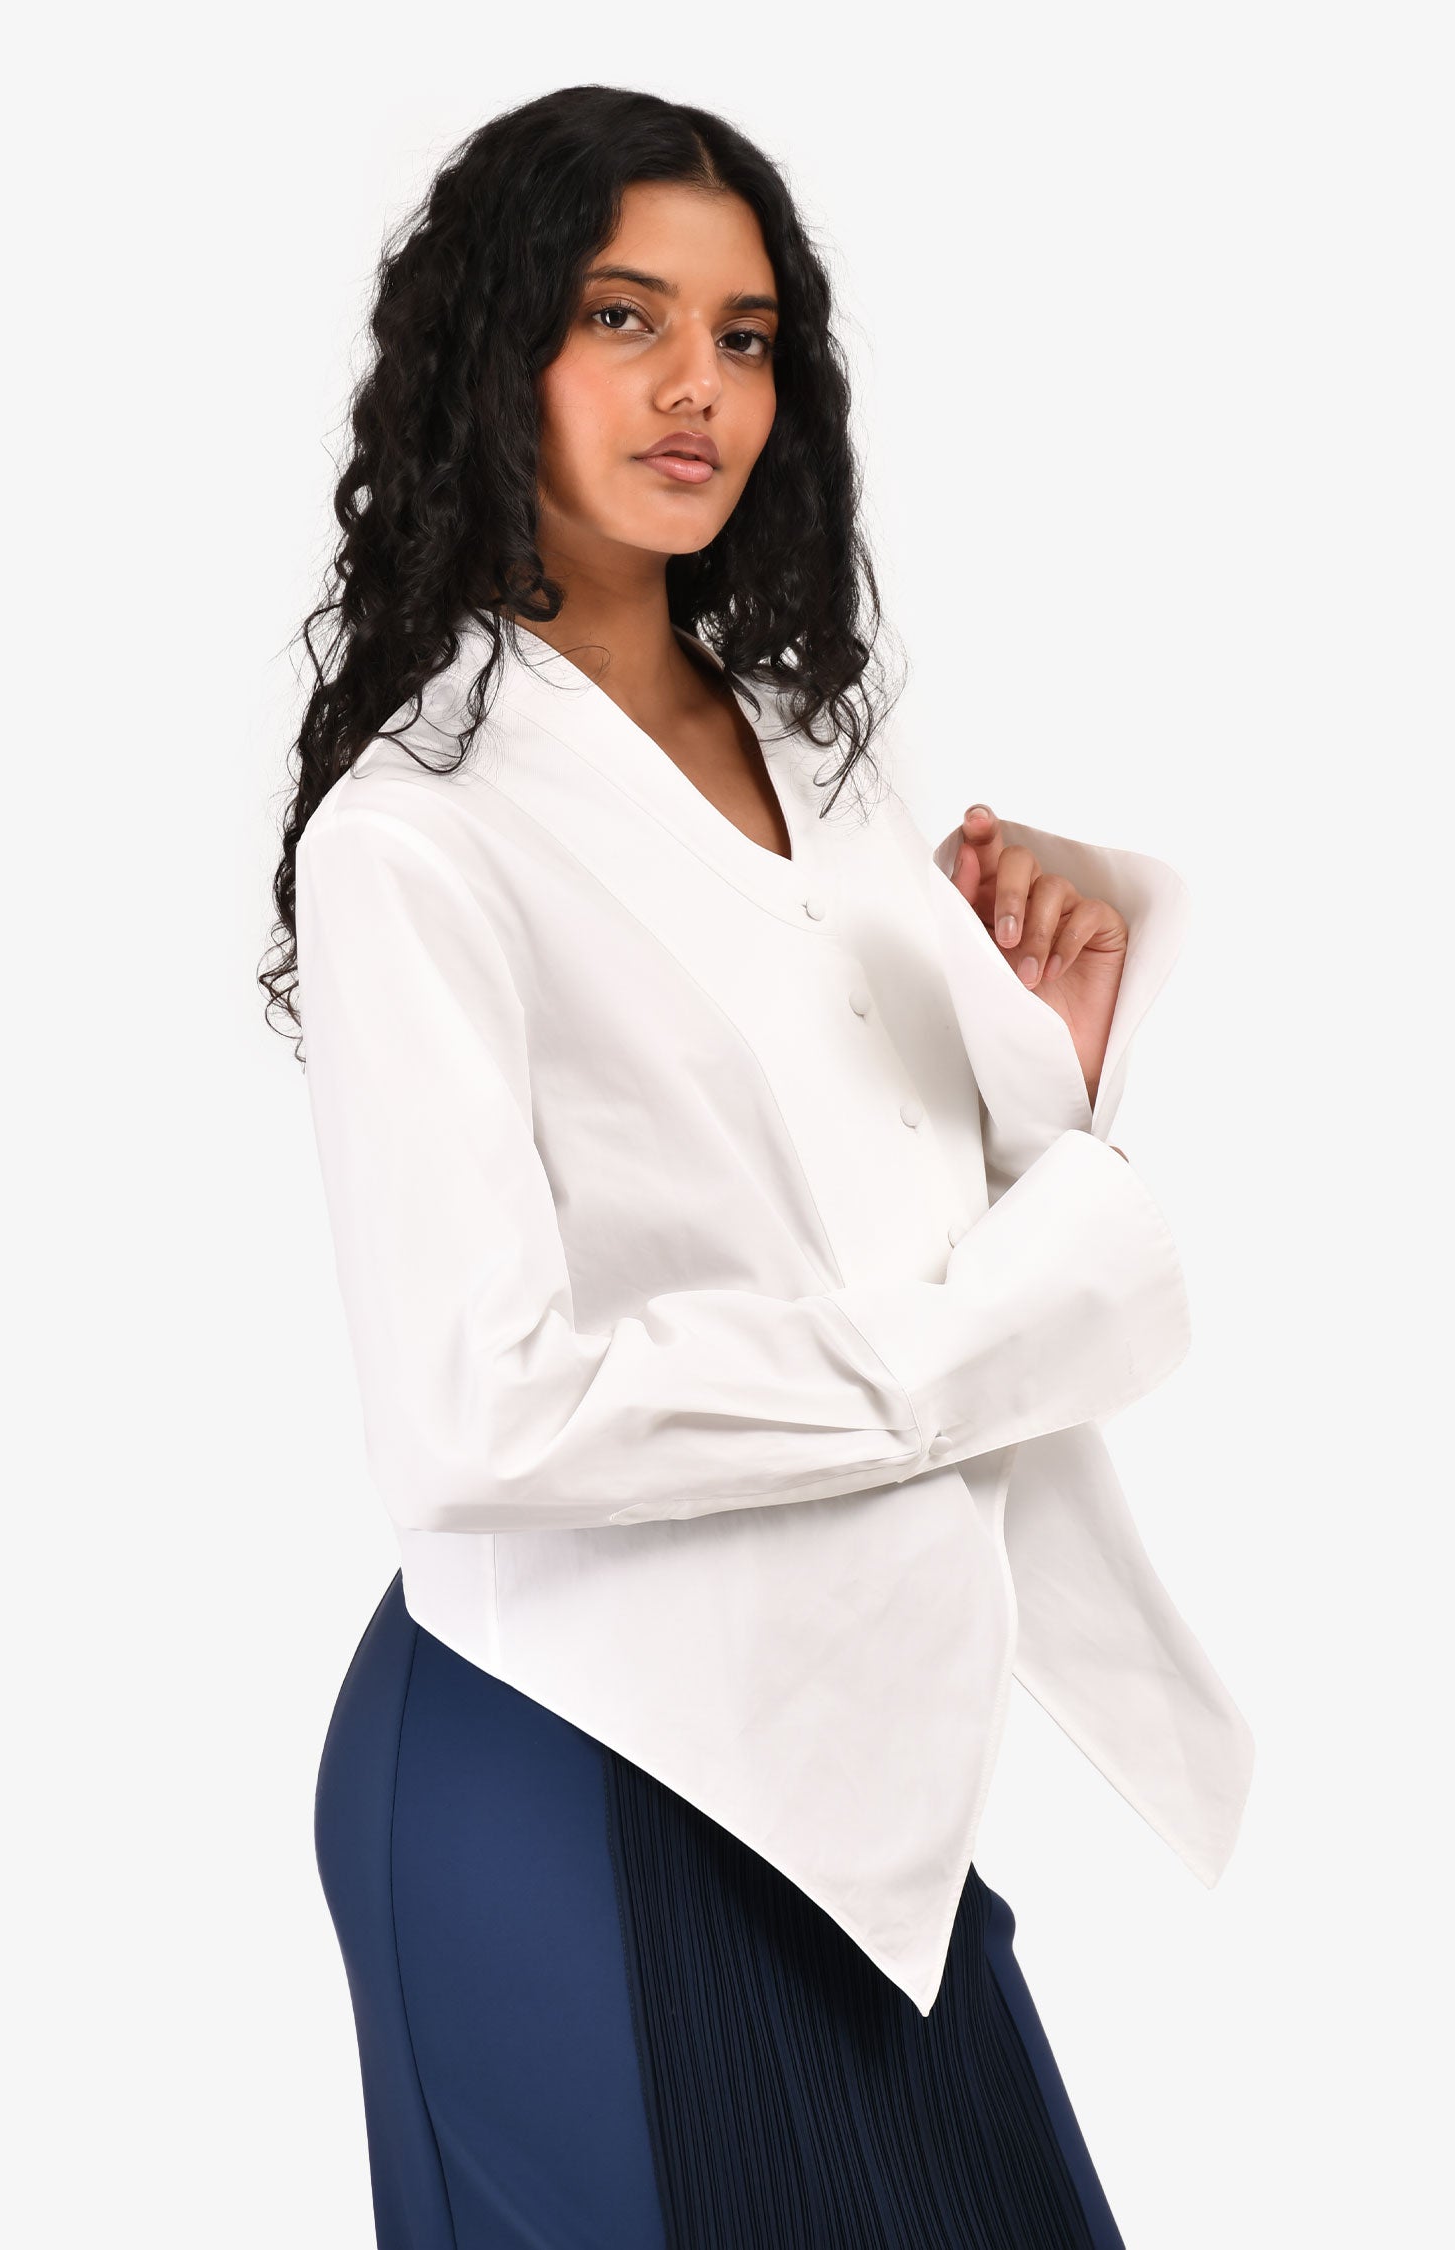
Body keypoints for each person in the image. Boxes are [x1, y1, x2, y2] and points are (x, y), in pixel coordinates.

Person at [262, 83, 1254, 2250]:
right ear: (498, 352)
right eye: (623, 317)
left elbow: (945, 1239)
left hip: (854, 1800)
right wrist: (963, 1357)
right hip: (567, 1765)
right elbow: (477, 1410)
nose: (695, 386)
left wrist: (1051, 1057)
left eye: (744, 334)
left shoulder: (819, 755)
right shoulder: (415, 838)